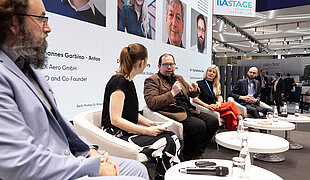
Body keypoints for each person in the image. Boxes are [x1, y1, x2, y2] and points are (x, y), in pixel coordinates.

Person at [0, 0, 147, 179]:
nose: (48, 28)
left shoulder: (30, 71)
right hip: (49, 169)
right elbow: (18, 164)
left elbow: (63, 128)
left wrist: (90, 151)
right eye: (41, 19)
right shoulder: (3, 76)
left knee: (138, 169)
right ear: (14, 23)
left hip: (70, 156)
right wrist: (91, 167)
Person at [101, 44, 181, 180]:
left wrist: (151, 124)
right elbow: (115, 120)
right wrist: (145, 131)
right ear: (141, 62)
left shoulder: (128, 82)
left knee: (170, 136)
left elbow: (130, 113)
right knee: (167, 141)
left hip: (125, 132)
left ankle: (165, 175)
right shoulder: (118, 83)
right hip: (116, 135)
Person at [144, 53, 219, 161]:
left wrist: (194, 90)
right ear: (159, 66)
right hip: (173, 112)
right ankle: (186, 156)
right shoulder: (152, 80)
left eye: (171, 64)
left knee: (213, 121)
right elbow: (151, 102)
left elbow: (192, 95)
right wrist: (172, 93)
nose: (169, 67)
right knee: (199, 126)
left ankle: (197, 152)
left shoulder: (179, 78)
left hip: (189, 109)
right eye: (165, 64)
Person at [193, 65, 242, 130]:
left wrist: (219, 103)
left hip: (216, 106)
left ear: (216, 75)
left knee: (230, 114)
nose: (211, 73)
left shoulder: (216, 85)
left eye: (214, 72)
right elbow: (194, 99)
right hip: (207, 107)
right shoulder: (199, 83)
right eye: (210, 71)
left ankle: (233, 131)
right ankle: (241, 120)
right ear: (206, 72)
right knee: (231, 104)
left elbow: (219, 96)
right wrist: (207, 106)